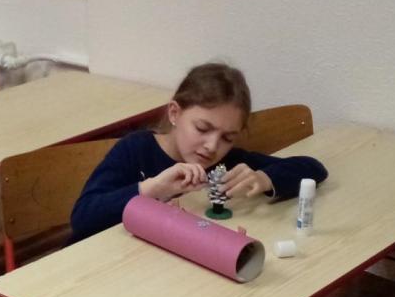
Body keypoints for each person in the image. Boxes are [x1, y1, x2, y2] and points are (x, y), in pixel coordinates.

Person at [70, 63, 328, 241]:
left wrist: (264, 178)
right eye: (202, 128)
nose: (212, 146)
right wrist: (151, 189)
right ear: (174, 113)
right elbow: (83, 218)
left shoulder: (227, 162)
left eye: (227, 137)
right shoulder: (136, 149)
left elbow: (313, 168)